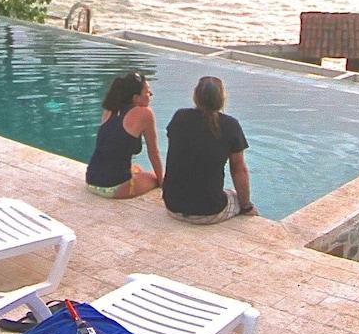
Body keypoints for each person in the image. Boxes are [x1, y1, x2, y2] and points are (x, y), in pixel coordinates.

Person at [162, 76, 257, 224]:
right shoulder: (230, 125)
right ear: (222, 99)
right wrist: (246, 206)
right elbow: (239, 170)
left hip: (173, 205)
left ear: (196, 95)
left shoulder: (179, 117)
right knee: (235, 195)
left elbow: (177, 154)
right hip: (208, 210)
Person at [85, 71, 164, 199]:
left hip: (91, 180)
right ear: (135, 98)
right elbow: (153, 153)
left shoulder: (110, 109)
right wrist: (162, 183)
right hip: (113, 187)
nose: (151, 94)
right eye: (147, 92)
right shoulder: (145, 113)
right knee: (153, 177)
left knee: (137, 168)